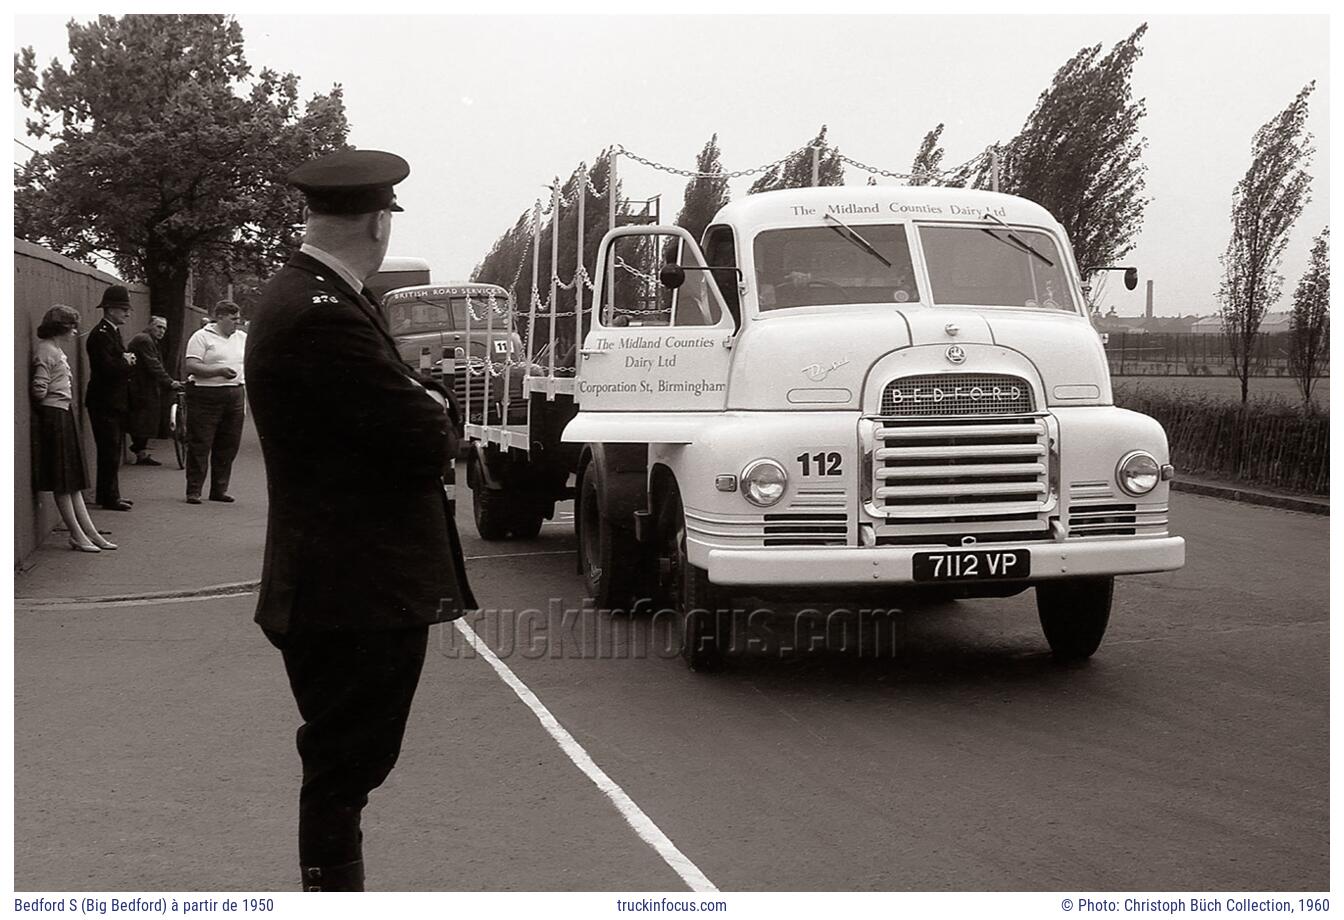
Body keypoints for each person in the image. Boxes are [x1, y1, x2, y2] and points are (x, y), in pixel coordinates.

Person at [246, 148, 476, 892]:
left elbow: (406, 407)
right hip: (353, 591)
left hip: (340, 584)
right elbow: (422, 433)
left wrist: (426, 406)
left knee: (344, 769)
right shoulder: (322, 313)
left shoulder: (312, 296)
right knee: (344, 774)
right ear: (379, 222)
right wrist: (436, 412)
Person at [32, 305, 118, 552]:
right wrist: (51, 398)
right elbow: (39, 388)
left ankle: (88, 532)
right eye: (71, 327)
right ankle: (78, 534)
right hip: (55, 415)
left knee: (71, 481)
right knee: (64, 480)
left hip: (60, 413)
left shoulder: (52, 349)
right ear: (61, 328)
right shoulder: (47, 351)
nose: (74, 332)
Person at [182, 300, 247, 504]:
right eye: (233, 318)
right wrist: (218, 371)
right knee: (201, 443)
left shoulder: (242, 338)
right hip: (206, 396)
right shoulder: (201, 337)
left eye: (238, 318)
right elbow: (191, 366)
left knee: (228, 444)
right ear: (219, 317)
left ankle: (219, 489)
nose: (237, 323)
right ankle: (194, 490)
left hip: (235, 394)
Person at [84, 284, 137, 511]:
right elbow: (107, 368)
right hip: (105, 401)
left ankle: (109, 494)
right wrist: (126, 361)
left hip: (112, 401)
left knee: (112, 449)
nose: (127, 312)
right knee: (108, 450)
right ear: (110, 309)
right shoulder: (101, 335)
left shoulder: (111, 332)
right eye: (123, 308)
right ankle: (108, 497)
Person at [126, 315, 183, 466]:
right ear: (150, 325)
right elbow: (153, 365)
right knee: (143, 419)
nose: (162, 331)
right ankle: (139, 451)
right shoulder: (145, 340)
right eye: (158, 327)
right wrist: (169, 382)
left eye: (164, 328)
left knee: (144, 419)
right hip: (140, 387)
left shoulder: (149, 340)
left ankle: (140, 452)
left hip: (143, 386)